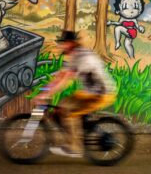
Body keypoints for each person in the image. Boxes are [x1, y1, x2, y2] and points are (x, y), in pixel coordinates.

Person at [34, 30, 118, 158]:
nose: (61, 46)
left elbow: (65, 79)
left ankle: (75, 147)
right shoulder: (74, 56)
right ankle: (77, 131)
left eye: (63, 43)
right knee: (61, 107)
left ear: (71, 43)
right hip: (88, 92)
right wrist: (45, 91)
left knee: (69, 113)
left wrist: (45, 94)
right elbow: (60, 76)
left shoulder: (82, 57)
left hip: (100, 94)